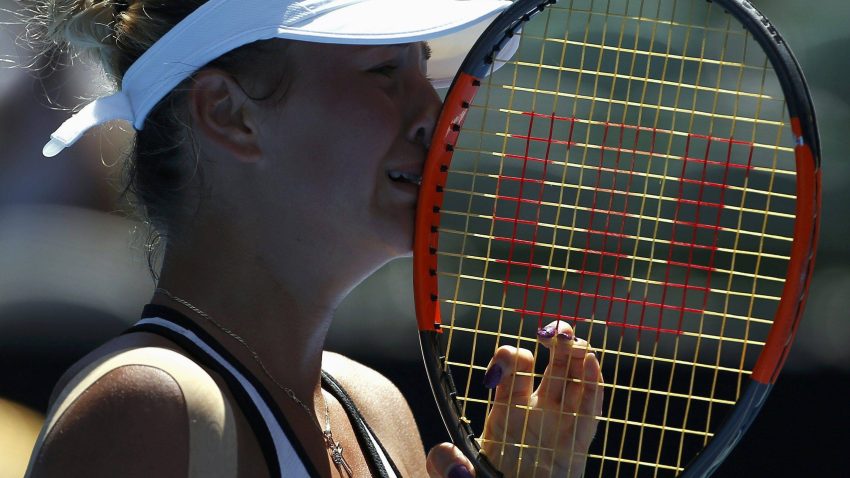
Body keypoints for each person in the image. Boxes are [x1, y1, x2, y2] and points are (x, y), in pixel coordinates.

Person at [21, 0, 603, 476]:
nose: (436, 108)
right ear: (228, 112)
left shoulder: (379, 409)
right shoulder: (148, 411)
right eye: (383, 70)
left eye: (421, 67)